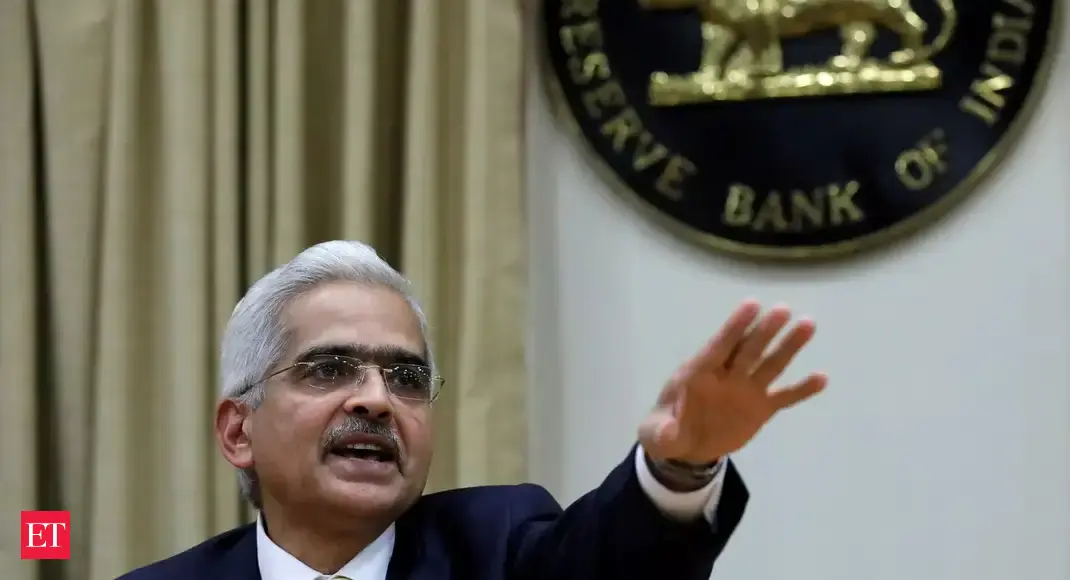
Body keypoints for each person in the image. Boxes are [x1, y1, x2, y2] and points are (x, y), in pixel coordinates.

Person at [118, 240, 826, 580]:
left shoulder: (498, 548)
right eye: (329, 369)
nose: (375, 399)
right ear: (238, 430)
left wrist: (680, 466)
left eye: (406, 377)